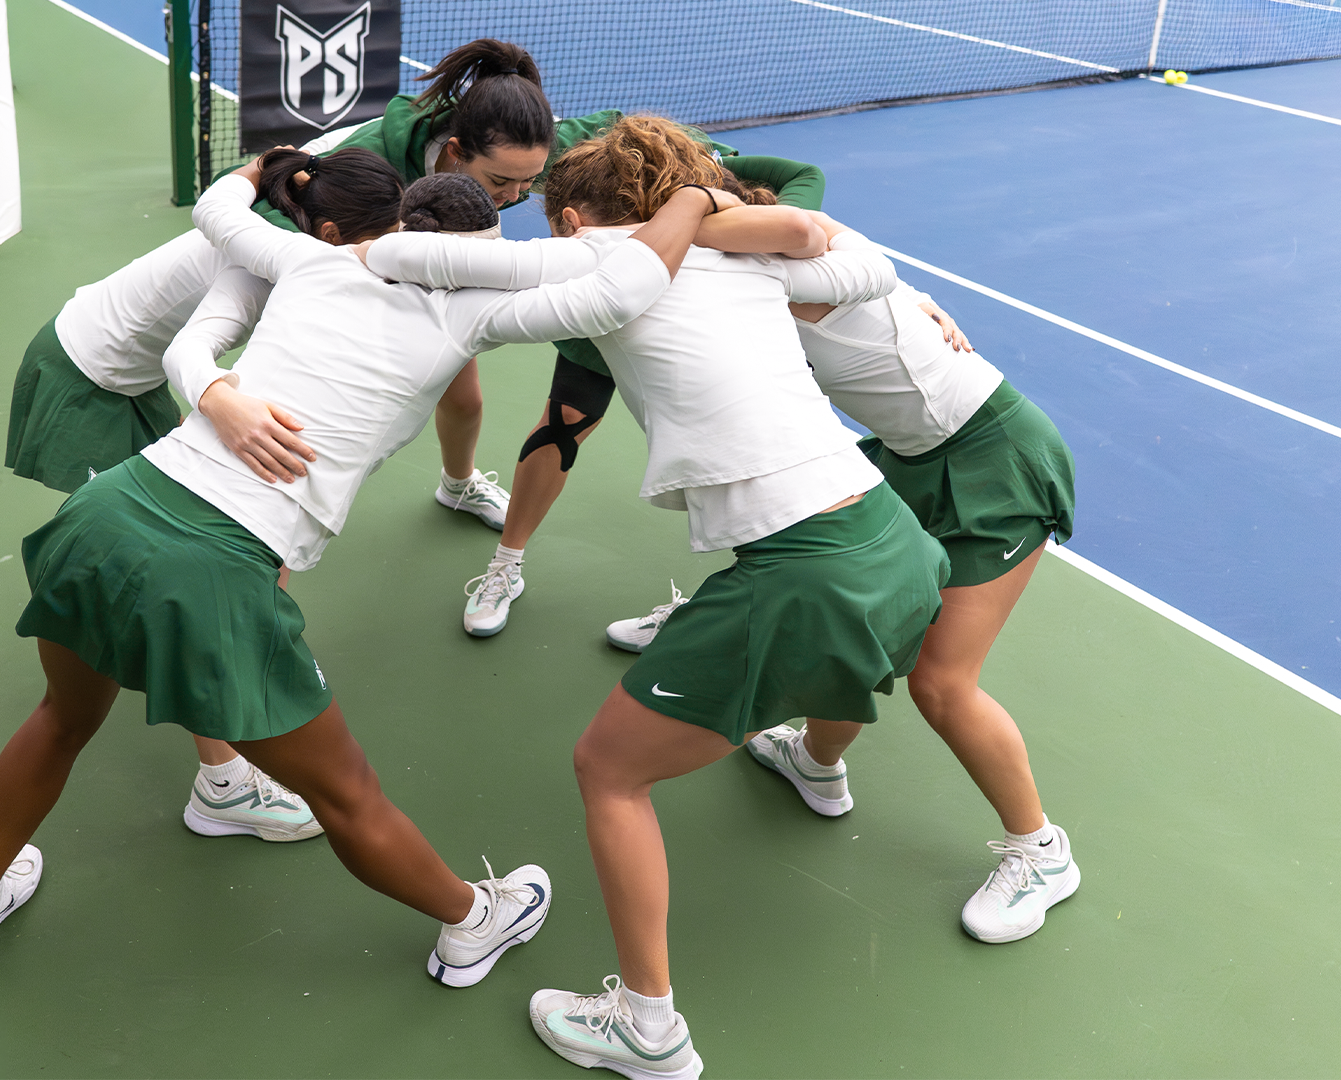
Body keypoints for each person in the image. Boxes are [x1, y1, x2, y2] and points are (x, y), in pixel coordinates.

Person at [0, 148, 730, 987]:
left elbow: (218, 216)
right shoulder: (472, 315)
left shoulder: (308, 257)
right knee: (346, 795)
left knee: (62, 718)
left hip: (108, 514)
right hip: (215, 569)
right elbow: (622, 285)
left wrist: (255, 170)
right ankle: (470, 921)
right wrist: (704, 198)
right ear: (480, 255)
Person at [361, 117, 941, 1080]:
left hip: (806, 568)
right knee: (838, 647)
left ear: (576, 210)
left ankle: (646, 1027)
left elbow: (409, 260)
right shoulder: (744, 260)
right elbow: (868, 270)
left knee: (608, 770)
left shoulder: (586, 255)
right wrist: (723, 213)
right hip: (892, 540)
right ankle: (818, 769)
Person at [240, 40, 825, 634]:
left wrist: (728, 237)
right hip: (386, 304)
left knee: (470, 401)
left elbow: (782, 178)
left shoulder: (574, 151)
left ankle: (458, 486)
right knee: (340, 431)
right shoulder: (375, 165)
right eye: (500, 181)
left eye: (531, 181)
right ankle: (273, 560)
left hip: (478, 293)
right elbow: (267, 222)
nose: (518, 196)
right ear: (458, 151)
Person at [605, 224, 1082, 947]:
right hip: (907, 453)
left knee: (942, 683)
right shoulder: (752, 273)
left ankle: (1043, 852)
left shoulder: (781, 264)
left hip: (996, 459)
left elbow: (812, 230)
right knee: (865, 614)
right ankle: (817, 765)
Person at [1, 191, 318, 842]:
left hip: (130, 374)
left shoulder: (283, 235)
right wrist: (217, 406)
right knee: (167, 575)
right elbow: (194, 355)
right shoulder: (262, 263)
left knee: (174, 557)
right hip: (87, 379)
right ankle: (223, 783)